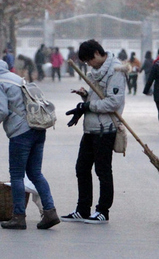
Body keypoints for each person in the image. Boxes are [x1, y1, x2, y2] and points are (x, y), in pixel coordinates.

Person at [0, 58, 60, 231]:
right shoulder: (13, 77)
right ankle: (50, 211)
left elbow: (2, 111)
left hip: (21, 133)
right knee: (35, 173)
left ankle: (18, 217)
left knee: (17, 175)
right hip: (38, 128)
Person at [62, 39, 126, 224]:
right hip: (90, 128)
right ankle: (82, 209)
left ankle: (103, 211)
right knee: (81, 168)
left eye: (89, 60)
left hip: (105, 129)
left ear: (98, 53)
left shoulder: (116, 70)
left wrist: (88, 104)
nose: (88, 64)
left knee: (103, 171)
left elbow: (114, 102)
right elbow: (95, 94)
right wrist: (84, 95)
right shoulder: (94, 72)